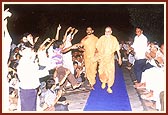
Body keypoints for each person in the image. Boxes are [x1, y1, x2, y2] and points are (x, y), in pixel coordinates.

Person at [95, 26, 122, 93]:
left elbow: (117, 50)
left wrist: (120, 58)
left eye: (108, 31)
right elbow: (97, 48)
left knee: (110, 73)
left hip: (110, 59)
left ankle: (109, 87)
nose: (107, 33)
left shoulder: (114, 39)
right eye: (106, 31)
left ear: (111, 32)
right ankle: (103, 81)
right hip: (102, 59)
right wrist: (96, 56)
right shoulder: (101, 38)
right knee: (101, 72)